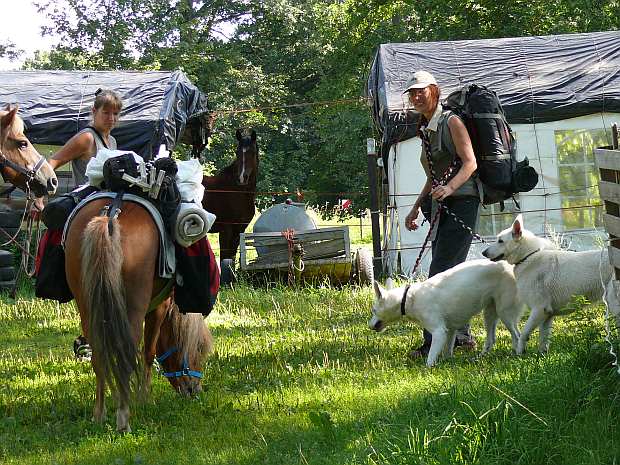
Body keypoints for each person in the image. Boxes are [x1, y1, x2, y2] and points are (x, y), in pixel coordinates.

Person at [34, 88, 123, 361]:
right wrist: (39, 195)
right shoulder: (86, 138)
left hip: (110, 208)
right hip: (86, 206)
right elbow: (51, 163)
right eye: (105, 112)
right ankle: (86, 337)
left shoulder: (113, 142)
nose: (110, 117)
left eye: (115, 113)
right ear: (93, 112)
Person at [403, 70, 480, 359]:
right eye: (412, 93)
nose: (416, 96)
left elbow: (470, 163)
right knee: (449, 274)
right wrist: (414, 208)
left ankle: (433, 344)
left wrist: (449, 188)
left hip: (463, 202)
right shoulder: (426, 127)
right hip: (441, 204)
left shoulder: (451, 121)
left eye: (421, 90)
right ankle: (460, 337)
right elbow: (432, 177)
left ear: (434, 90)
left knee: (439, 275)